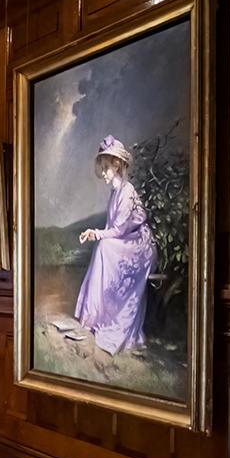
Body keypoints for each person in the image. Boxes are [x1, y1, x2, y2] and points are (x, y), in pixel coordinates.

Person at [75, 135, 157, 355]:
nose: (103, 172)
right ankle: (96, 315)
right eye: (101, 168)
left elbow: (119, 230)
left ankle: (108, 317)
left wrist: (97, 234)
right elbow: (114, 228)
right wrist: (96, 233)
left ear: (117, 165)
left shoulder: (127, 191)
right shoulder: (115, 193)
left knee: (104, 247)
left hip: (139, 245)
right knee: (103, 246)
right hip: (125, 241)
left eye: (106, 167)